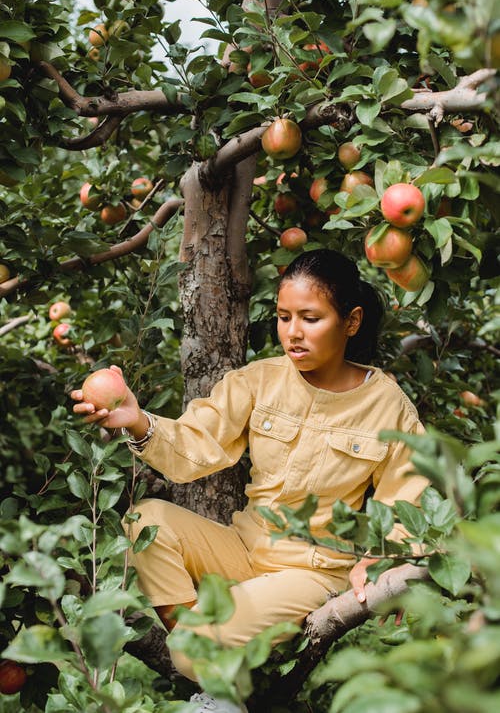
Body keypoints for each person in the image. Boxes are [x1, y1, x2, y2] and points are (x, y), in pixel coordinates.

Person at [71, 249, 429, 713]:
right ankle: (224, 679)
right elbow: (195, 447)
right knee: (148, 519)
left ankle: (210, 671)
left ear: (351, 321)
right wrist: (137, 421)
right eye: (283, 317)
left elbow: (410, 496)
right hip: (245, 548)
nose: (292, 332)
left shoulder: (388, 406)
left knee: (191, 648)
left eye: (310, 318)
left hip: (312, 570)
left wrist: (387, 558)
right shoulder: (259, 381)